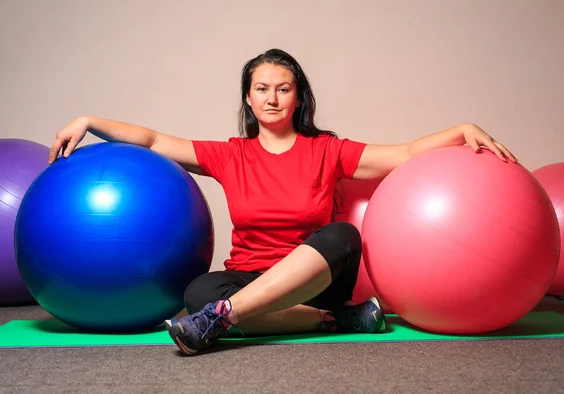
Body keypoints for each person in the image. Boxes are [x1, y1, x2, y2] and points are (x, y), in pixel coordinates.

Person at [49, 48, 517, 356]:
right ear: (249, 100)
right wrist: (89, 119)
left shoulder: (328, 149)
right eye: (261, 89)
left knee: (343, 234)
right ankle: (334, 322)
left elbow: (406, 154)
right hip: (249, 277)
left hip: (314, 281)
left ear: (298, 97)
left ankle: (226, 318)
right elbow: (151, 141)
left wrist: (462, 130)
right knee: (197, 293)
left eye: (283, 88)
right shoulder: (230, 155)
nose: (272, 98)